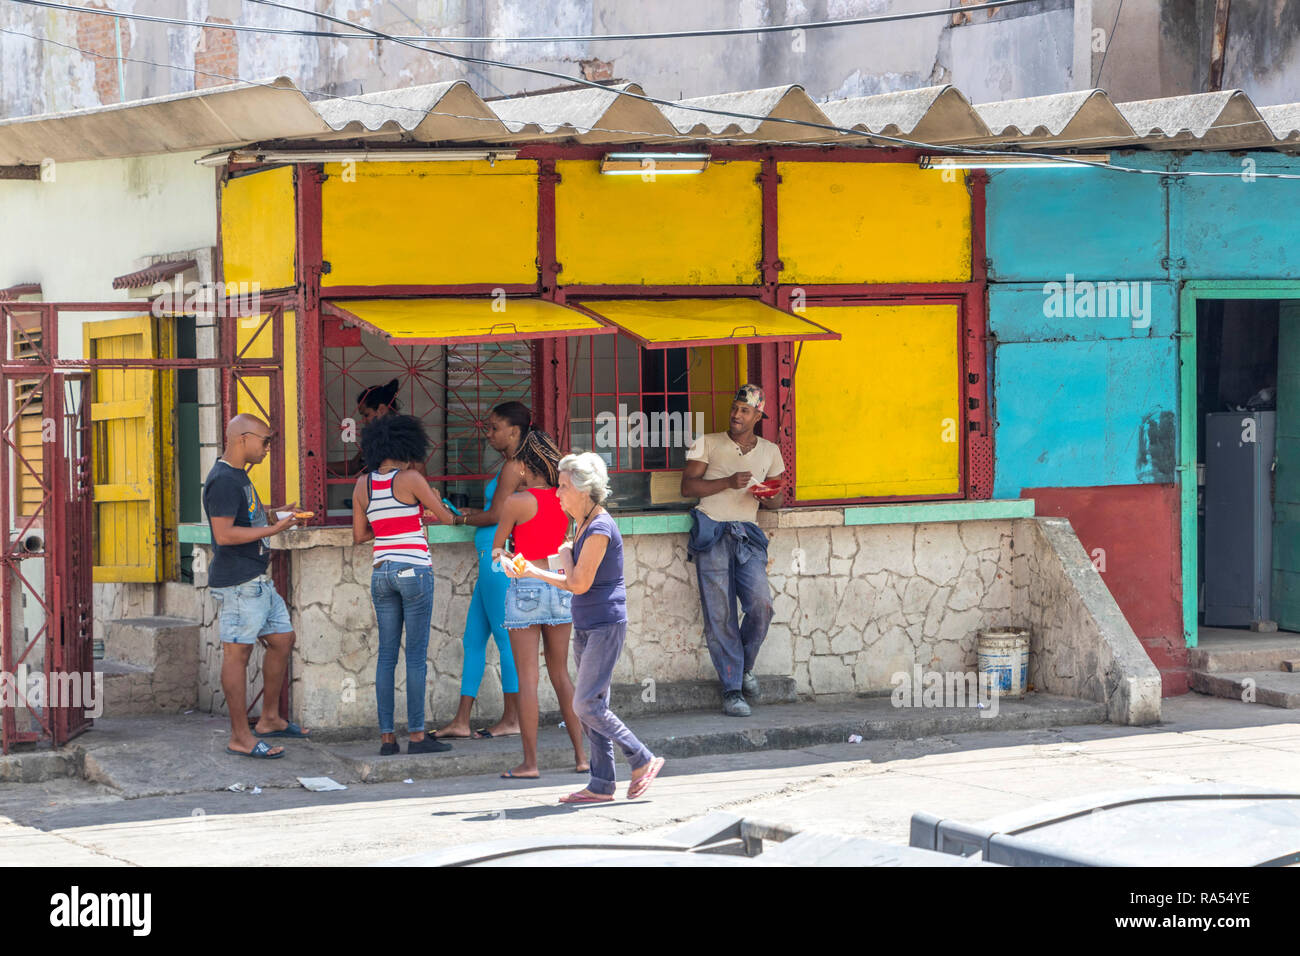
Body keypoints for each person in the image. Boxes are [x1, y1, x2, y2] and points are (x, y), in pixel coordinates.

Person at [508, 452, 665, 803]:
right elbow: (573, 577)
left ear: (583, 490)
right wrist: (541, 566)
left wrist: (549, 564)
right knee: (595, 704)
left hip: (605, 624)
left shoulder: (598, 527)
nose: (557, 493)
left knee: (586, 706)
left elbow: (577, 583)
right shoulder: (582, 524)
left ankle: (642, 757)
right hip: (587, 623)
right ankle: (601, 784)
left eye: (563, 486)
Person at [203, 413, 310, 759]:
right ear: (242, 439)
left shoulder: (239, 478)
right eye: (264, 441)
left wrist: (277, 514)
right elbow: (224, 534)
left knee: (281, 639)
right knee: (238, 654)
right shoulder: (223, 480)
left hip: (257, 580)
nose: (267, 448)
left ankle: (269, 718)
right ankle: (240, 737)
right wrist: (272, 532)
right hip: (238, 582)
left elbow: (246, 516)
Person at [352, 414, 456, 756]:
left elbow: (359, 536)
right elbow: (445, 517)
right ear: (406, 446)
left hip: (381, 572)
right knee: (414, 657)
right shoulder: (411, 478)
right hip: (414, 570)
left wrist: (386, 526)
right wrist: (429, 501)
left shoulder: (362, 485)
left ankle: (386, 739)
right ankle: (416, 736)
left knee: (385, 656)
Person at [680, 385, 786, 718]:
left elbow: (780, 497)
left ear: (758, 416)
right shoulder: (706, 442)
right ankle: (732, 690)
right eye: (735, 408)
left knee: (761, 605)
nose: (736, 415)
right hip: (711, 530)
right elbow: (688, 487)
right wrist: (728, 482)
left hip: (748, 536)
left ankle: (743, 667)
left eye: (744, 411)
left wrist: (768, 496)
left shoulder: (770, 451)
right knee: (719, 613)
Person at [491, 429, 588, 779]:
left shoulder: (516, 502)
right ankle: (582, 757)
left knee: (528, 680)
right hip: (561, 584)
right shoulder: (566, 500)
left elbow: (498, 550)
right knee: (562, 674)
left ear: (522, 467)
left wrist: (505, 558)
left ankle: (530, 764)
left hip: (526, 587)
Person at [434, 402, 532, 740]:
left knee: (505, 641)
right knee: (473, 639)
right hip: (491, 560)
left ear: (514, 431)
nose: (488, 433)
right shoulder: (515, 466)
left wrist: (458, 518)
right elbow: (493, 511)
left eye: (494, 427)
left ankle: (512, 719)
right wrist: (471, 512)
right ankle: (462, 720)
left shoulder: (514, 467)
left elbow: (495, 517)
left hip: (498, 560)